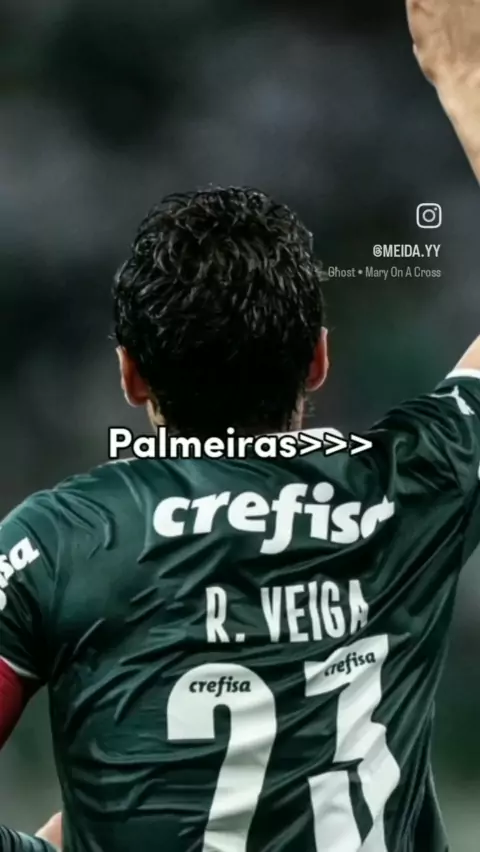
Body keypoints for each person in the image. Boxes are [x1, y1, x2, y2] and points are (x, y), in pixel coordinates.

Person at [2, 1, 480, 850]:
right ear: (319, 361)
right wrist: (465, 76)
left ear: (130, 375)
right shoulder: (408, 488)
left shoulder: (56, 544)